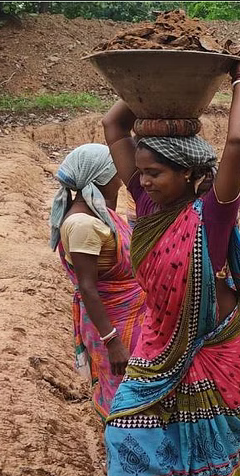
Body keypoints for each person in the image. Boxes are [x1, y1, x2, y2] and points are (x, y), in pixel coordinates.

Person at [101, 48, 240, 476]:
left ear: (189, 174)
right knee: (125, 428)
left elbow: (237, 143)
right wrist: (148, 88)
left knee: (223, 449)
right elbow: (113, 126)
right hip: (160, 341)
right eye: (140, 172)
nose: (142, 181)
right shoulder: (148, 208)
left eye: (155, 173)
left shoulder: (212, 215)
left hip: (214, 346)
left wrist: (238, 78)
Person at [49, 143, 146, 419]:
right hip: (114, 326)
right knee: (126, 397)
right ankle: (125, 453)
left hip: (129, 320)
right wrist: (112, 342)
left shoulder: (98, 214)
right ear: (103, 177)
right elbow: (88, 287)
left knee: (138, 389)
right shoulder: (83, 225)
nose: (121, 177)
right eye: (115, 171)